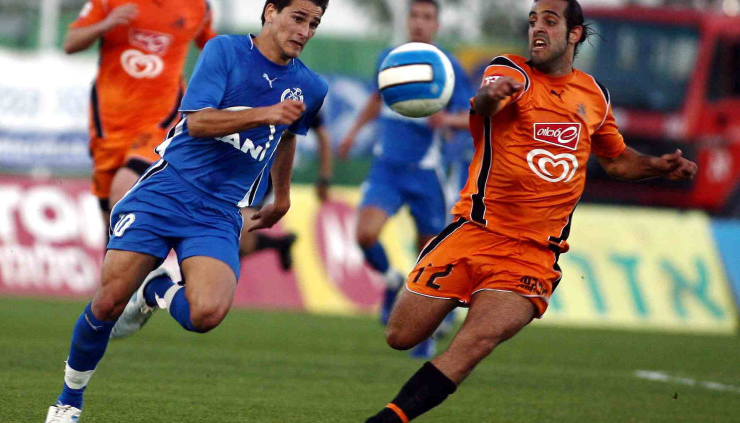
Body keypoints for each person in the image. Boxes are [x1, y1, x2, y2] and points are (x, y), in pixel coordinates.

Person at [364, 0, 698, 421]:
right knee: (400, 335)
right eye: (533, 21)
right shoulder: (510, 71)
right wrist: (489, 97)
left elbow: (616, 161)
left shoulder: (593, 95)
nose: (537, 28)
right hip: (474, 232)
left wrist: (656, 166)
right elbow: (486, 103)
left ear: (575, 33)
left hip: (533, 255)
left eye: (549, 21)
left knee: (474, 343)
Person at [44, 0, 328, 421]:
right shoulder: (225, 51)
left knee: (206, 314)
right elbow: (197, 122)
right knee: (107, 304)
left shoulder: (311, 86)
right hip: (167, 190)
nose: (305, 31)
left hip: (219, 211)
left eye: (314, 24)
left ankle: (156, 289)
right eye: (298, 18)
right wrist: (264, 114)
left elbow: (287, 136)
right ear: (270, 12)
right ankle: (69, 401)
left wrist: (281, 197)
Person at [337, 0, 474, 358]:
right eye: (414, 15)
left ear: (436, 24)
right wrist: (353, 132)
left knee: (427, 259)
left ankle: (424, 332)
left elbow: (471, 115)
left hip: (426, 174)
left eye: (427, 17)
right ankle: (391, 280)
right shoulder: (391, 57)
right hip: (387, 168)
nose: (419, 22)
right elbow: (375, 98)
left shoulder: (447, 66)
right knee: (365, 235)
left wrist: (448, 121)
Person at [63, 0, 217, 232]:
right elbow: (70, 43)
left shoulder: (197, 7)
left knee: (121, 194)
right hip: (108, 125)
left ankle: (158, 251)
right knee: (111, 223)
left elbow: (213, 46)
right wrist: (106, 24)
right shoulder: (107, 2)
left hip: (160, 122)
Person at [238, 112, 333, 270]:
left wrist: (324, 178)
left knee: (238, 228)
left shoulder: (302, 98)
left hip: (265, 171)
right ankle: (278, 244)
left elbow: (322, 135)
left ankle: (217, 279)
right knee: (235, 233)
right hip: (234, 164)